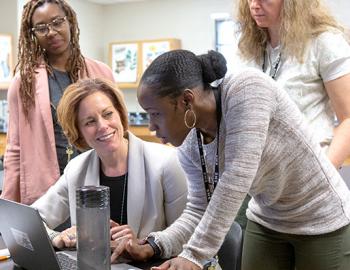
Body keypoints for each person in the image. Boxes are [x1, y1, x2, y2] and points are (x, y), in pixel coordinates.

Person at [117, 49, 350, 270]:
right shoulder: (191, 144)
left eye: (155, 113)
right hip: (268, 219)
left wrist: (193, 256)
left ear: (186, 101)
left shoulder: (247, 89)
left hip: (321, 217)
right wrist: (154, 245)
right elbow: (200, 208)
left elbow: (237, 176)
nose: (151, 127)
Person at [31, 78, 188, 259]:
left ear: (120, 114)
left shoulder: (167, 162)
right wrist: (56, 238)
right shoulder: (76, 169)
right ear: (78, 131)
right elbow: (33, 220)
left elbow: (187, 235)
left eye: (107, 114)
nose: (103, 126)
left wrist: (146, 243)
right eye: (90, 122)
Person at [1, 0, 115, 205]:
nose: (51, 32)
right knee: (54, 237)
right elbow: (15, 148)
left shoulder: (101, 73)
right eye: (41, 28)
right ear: (32, 34)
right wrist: (8, 204)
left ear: (69, 21)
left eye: (57, 22)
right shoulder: (24, 83)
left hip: (97, 180)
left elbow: (120, 131)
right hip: (50, 189)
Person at [235, 0, 350, 169]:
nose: (254, 5)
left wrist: (325, 176)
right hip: (266, 174)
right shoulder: (250, 47)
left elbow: (348, 119)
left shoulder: (324, 42)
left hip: (310, 169)